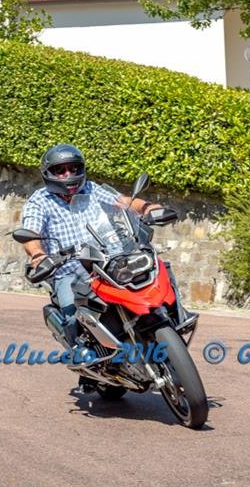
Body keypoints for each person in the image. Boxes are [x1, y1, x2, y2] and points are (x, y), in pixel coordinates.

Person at [21, 144, 162, 347]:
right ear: (49, 174)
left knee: (151, 278)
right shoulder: (40, 201)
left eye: (73, 168)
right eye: (60, 170)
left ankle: (169, 320)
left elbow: (123, 202)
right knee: (73, 314)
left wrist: (148, 208)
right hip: (70, 271)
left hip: (107, 262)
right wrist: (38, 255)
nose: (68, 174)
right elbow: (31, 233)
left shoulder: (91, 189)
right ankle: (82, 352)